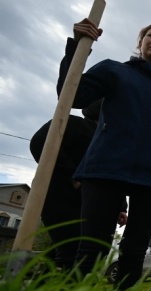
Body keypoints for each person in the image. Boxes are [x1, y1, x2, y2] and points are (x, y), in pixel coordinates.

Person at [58, 19, 151, 291]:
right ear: (140, 43)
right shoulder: (114, 71)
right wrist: (77, 47)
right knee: (92, 243)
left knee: (135, 248)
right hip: (106, 166)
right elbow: (72, 95)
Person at [30, 100, 127, 271]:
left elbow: (113, 175)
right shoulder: (72, 124)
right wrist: (73, 176)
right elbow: (39, 143)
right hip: (63, 200)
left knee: (92, 251)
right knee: (70, 250)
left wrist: (121, 207)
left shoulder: (110, 139)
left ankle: (48, 288)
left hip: (95, 205)